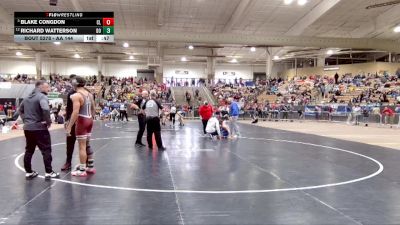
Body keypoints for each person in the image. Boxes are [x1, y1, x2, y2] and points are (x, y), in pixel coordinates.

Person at [19, 80, 60, 180]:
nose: (48, 89)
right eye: (47, 87)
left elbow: (20, 110)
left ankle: (28, 172)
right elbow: (45, 109)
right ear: (40, 87)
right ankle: (49, 172)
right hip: (39, 128)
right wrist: (48, 121)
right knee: (46, 150)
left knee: (29, 150)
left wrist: (25, 120)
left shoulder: (26, 98)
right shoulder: (42, 97)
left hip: (28, 128)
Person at [61, 75, 92, 171]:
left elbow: (75, 111)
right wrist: (67, 121)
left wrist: (69, 124)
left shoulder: (79, 94)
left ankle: (84, 165)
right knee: (71, 143)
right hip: (82, 120)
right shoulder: (82, 93)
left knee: (84, 144)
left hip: (80, 121)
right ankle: (69, 162)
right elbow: (69, 109)